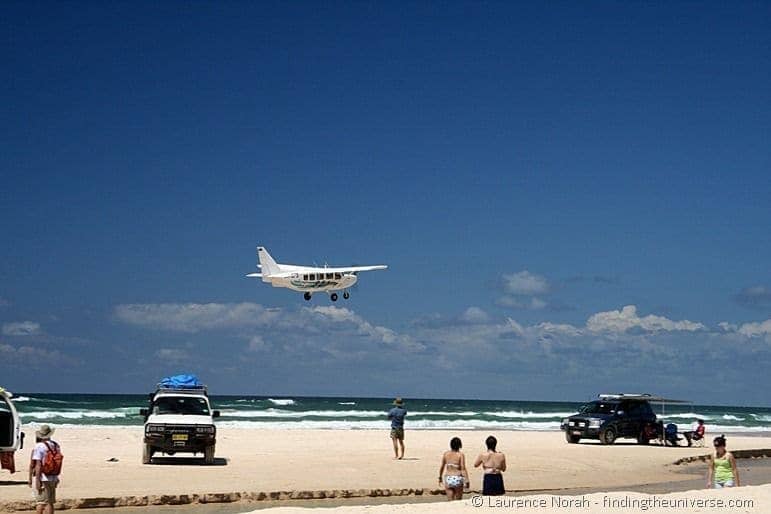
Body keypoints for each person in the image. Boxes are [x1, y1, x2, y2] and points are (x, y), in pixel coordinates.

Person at [29, 425, 61, 514]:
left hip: (43, 477)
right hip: (53, 477)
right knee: (50, 502)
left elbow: (38, 464)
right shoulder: (55, 445)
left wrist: (37, 480)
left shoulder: (39, 446)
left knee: (41, 502)